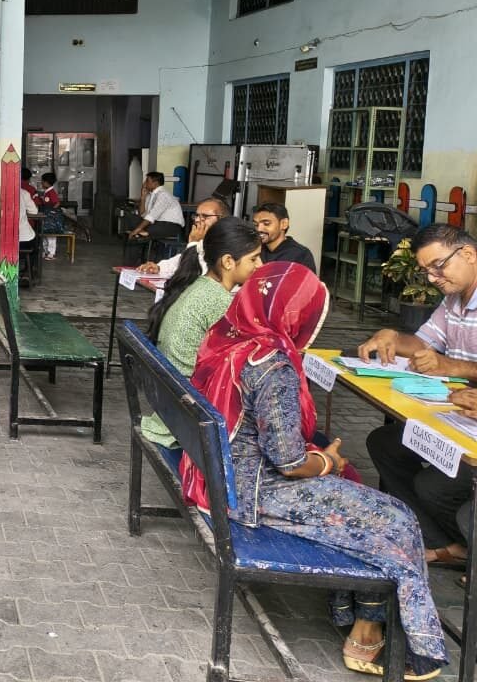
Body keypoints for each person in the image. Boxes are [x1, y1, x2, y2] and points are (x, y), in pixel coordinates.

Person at [185, 262, 446, 680]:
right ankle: (371, 635)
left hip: (220, 472)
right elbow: (289, 463)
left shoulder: (229, 334)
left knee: (367, 510)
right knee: (397, 519)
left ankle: (357, 616)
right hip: (254, 492)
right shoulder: (272, 365)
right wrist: (328, 462)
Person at [364, 223, 477, 571]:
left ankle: (467, 549)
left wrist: (452, 366)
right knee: (386, 443)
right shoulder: (454, 299)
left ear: (468, 254)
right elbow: (424, 342)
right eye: (427, 270)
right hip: (459, 414)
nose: (432, 278)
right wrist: (392, 338)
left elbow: (448, 363)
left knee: (434, 486)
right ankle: (449, 544)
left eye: (438, 266)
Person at [140, 218, 262, 447]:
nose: (260, 265)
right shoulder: (219, 301)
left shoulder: (199, 285)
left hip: (172, 402)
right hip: (189, 413)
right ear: (228, 261)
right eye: (253, 258)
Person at [137, 196, 231, 279]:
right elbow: (180, 261)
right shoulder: (204, 242)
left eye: (205, 216)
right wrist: (159, 268)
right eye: (197, 215)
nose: (197, 220)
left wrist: (193, 244)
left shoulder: (228, 245)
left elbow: (196, 273)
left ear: (221, 220)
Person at [253, 201, 316, 272]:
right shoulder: (254, 250)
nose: (259, 229)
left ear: (284, 224)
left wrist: (262, 270)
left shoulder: (301, 255)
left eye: (266, 223)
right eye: (256, 225)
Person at [126, 171, 184, 243]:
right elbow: (143, 214)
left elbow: (151, 216)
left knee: (141, 227)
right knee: (133, 220)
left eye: (147, 181)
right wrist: (143, 197)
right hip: (158, 223)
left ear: (155, 183)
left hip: (171, 226)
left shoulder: (163, 195)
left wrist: (137, 229)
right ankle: (143, 233)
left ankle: (144, 233)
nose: (144, 183)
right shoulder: (151, 195)